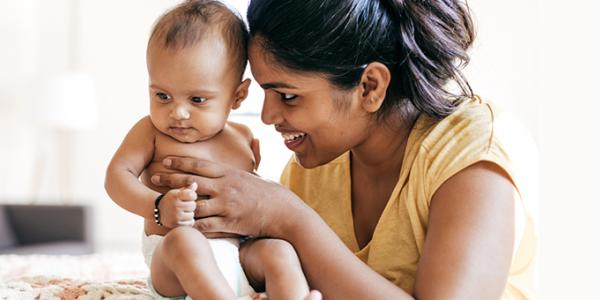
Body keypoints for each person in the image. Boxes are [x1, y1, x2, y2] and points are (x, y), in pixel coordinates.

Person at [151, 0, 537, 299]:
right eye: (266, 92)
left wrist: (291, 219)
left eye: (288, 95)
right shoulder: (313, 166)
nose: (268, 116)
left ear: (369, 86)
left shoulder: (471, 154)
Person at [104, 1, 311, 299]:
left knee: (279, 251)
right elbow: (116, 178)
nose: (178, 112)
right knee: (186, 242)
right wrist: (158, 207)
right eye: (162, 95)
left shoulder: (243, 137)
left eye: (197, 100)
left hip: (237, 255)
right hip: (173, 260)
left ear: (237, 96)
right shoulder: (150, 132)